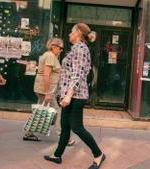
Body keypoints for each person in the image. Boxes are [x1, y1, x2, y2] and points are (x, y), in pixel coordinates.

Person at [44, 23, 106, 169]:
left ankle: (98, 155)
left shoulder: (80, 49)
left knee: (77, 128)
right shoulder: (76, 48)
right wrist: (57, 91)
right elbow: (66, 74)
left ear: (78, 33)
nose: (69, 34)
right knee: (65, 127)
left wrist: (68, 96)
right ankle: (57, 155)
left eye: (71, 31)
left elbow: (77, 75)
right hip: (69, 94)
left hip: (75, 96)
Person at [23, 38, 75, 145]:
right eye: (60, 48)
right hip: (45, 90)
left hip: (44, 89)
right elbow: (46, 75)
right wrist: (47, 93)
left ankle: (29, 133)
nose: (61, 50)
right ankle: (64, 138)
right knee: (57, 111)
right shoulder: (50, 56)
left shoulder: (50, 56)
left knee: (40, 110)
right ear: (53, 46)